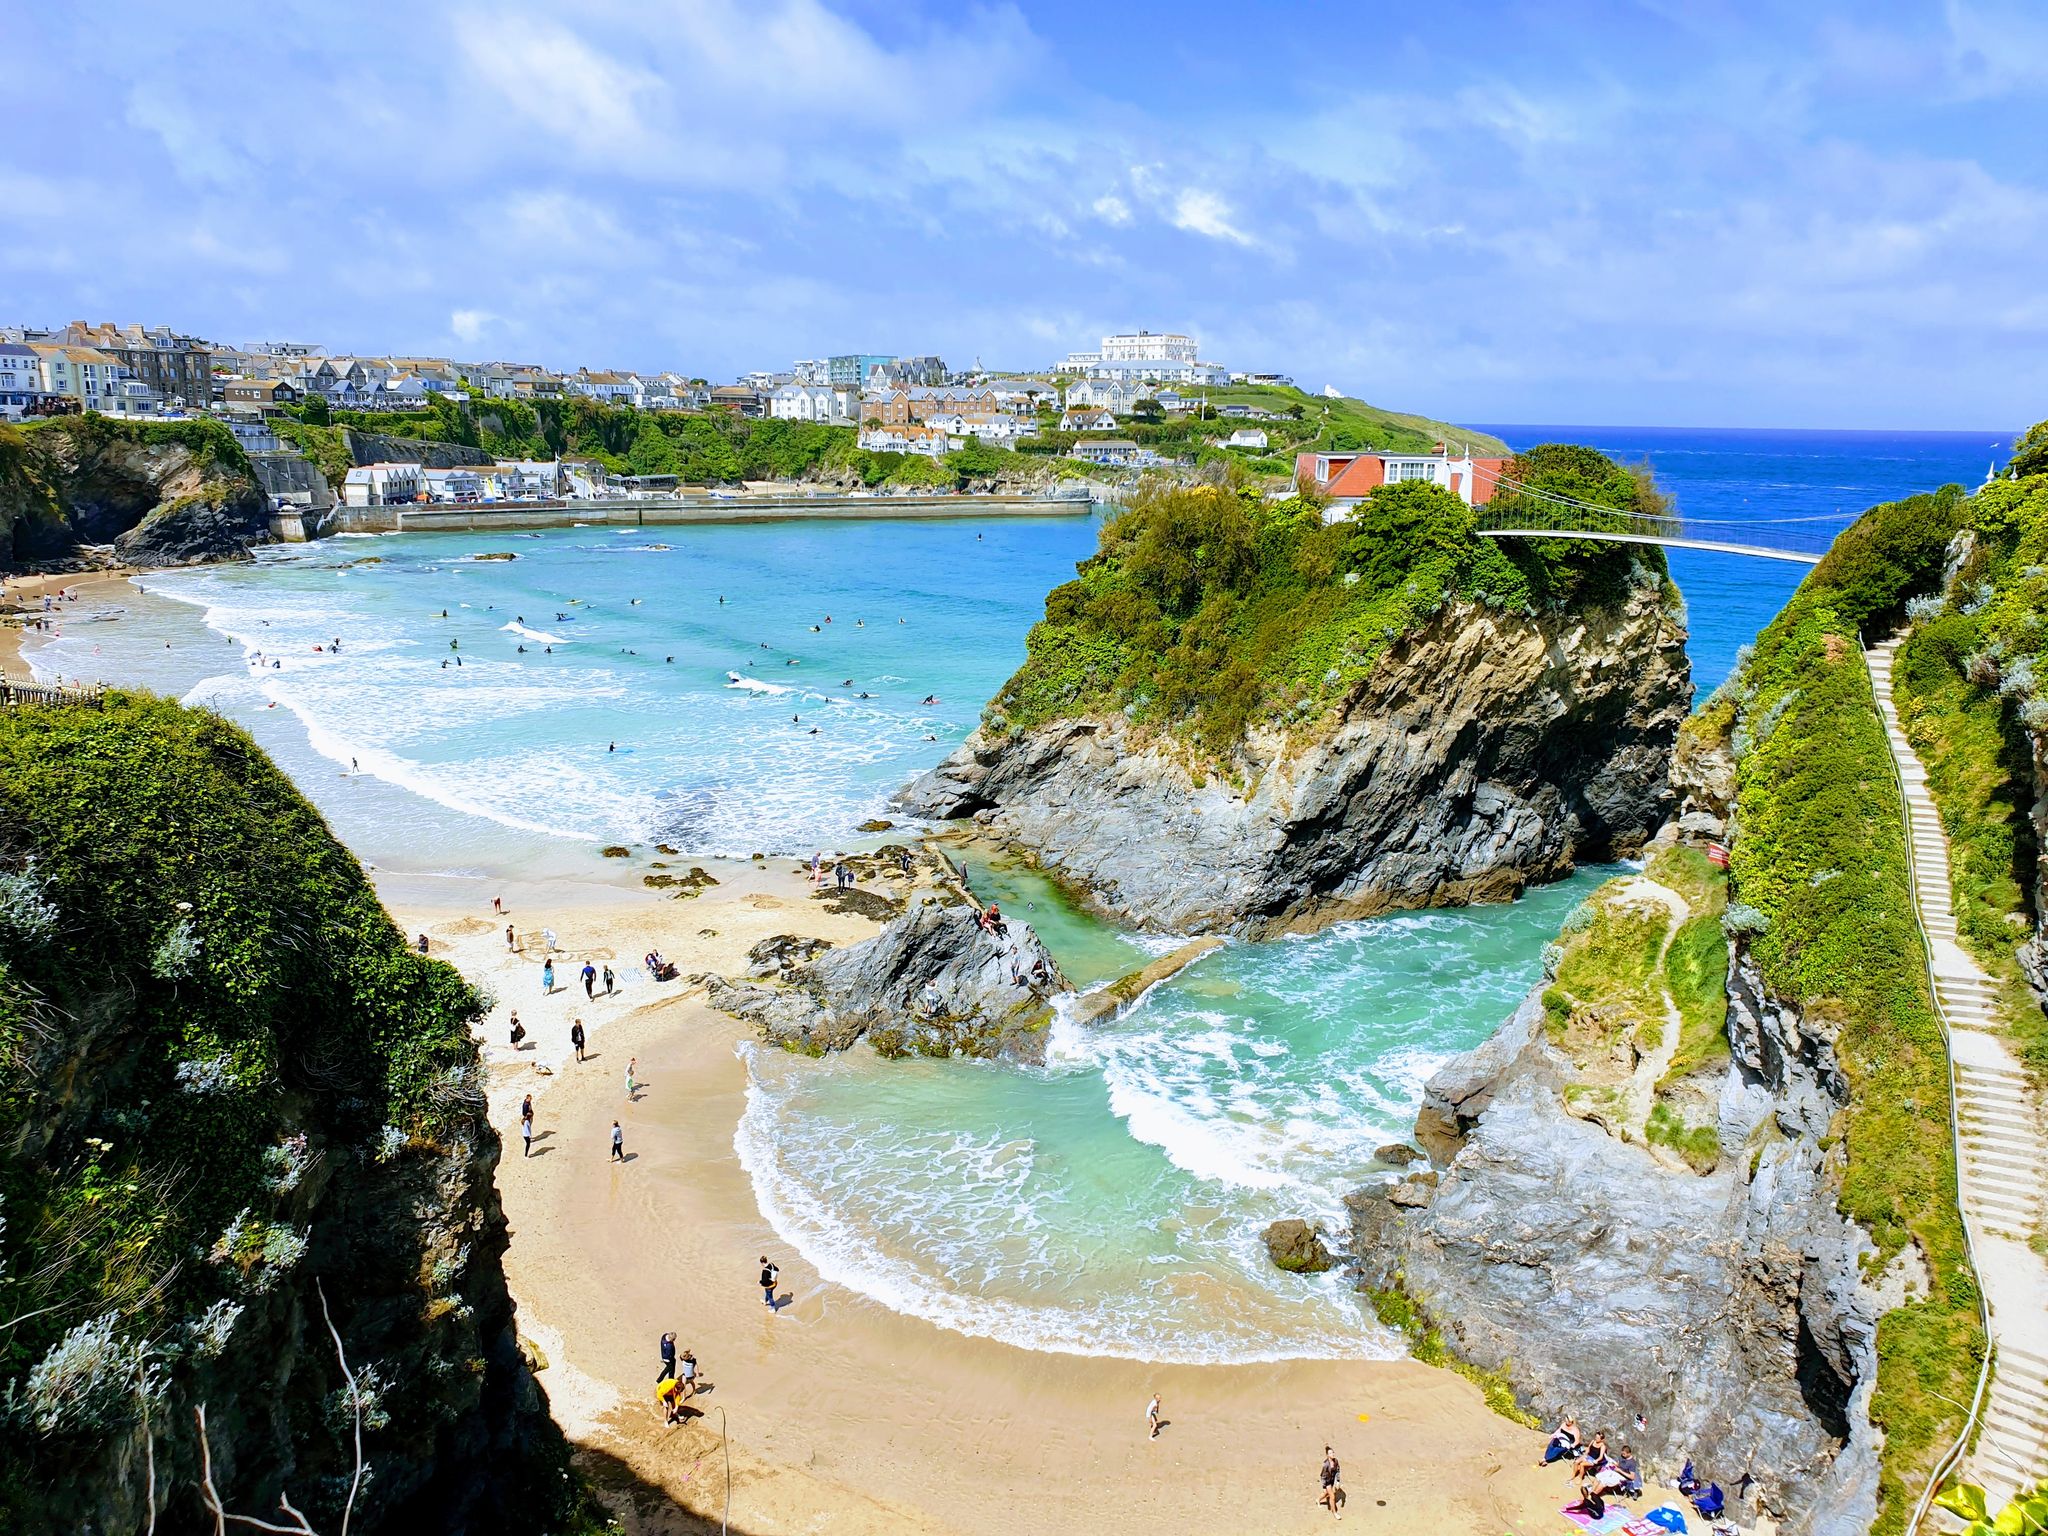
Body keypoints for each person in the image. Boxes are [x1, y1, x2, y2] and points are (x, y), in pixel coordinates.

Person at [1319, 1447, 1342, 1518]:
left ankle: (1318, 1500)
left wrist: (1338, 1481)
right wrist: (1323, 1486)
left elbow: (1338, 1471)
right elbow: (1322, 1476)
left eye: (1332, 1452)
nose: (1332, 1454)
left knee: (1326, 1493)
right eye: (1330, 1453)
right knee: (1332, 1496)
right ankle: (1335, 1513)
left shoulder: (1336, 1461)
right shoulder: (1325, 1464)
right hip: (1327, 1481)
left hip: (1332, 1480)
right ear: (1327, 1455)